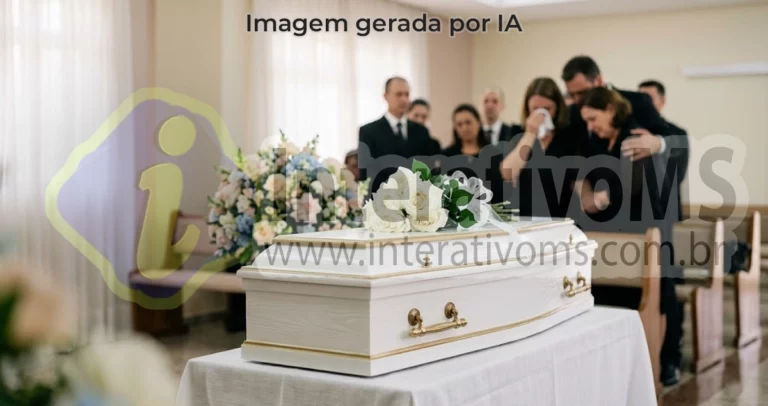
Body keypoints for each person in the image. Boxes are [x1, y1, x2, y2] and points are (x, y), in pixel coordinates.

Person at [577, 87, 682, 386]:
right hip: (619, 234)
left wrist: (603, 197)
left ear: (610, 109)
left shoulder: (634, 136)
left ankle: (664, 362)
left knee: (659, 296)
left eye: (593, 118)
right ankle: (620, 366)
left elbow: (634, 184)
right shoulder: (602, 141)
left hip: (646, 231)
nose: (590, 126)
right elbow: (588, 174)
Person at [562, 56, 687, 222]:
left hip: (643, 214)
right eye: (572, 94)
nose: (577, 100)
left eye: (582, 92)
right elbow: (573, 158)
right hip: (600, 218)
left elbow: (677, 140)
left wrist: (658, 143)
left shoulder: (638, 102)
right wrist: (584, 192)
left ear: (598, 80)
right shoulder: (573, 113)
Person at [499, 77, 584, 218]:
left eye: (547, 109)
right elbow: (507, 173)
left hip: (561, 215)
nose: (541, 115)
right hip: (526, 216)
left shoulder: (568, 135)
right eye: (535, 109)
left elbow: (578, 177)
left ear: (557, 108)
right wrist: (530, 135)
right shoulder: (518, 133)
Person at [358, 77, 441, 194]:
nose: (404, 99)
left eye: (407, 95)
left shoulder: (421, 131)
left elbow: (429, 170)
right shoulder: (369, 132)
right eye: (399, 94)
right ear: (386, 96)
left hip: (417, 199)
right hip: (383, 199)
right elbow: (366, 175)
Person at [638, 79, 690, 221]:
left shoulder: (677, 134)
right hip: (633, 211)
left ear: (662, 101)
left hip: (666, 209)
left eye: (649, 99)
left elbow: (678, 173)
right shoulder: (631, 130)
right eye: (641, 99)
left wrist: (657, 145)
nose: (644, 104)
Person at [442, 104, 503, 202]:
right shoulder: (447, 155)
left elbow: (499, 188)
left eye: (468, 122)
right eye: (459, 124)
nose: (464, 128)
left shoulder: (493, 153)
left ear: (478, 123)